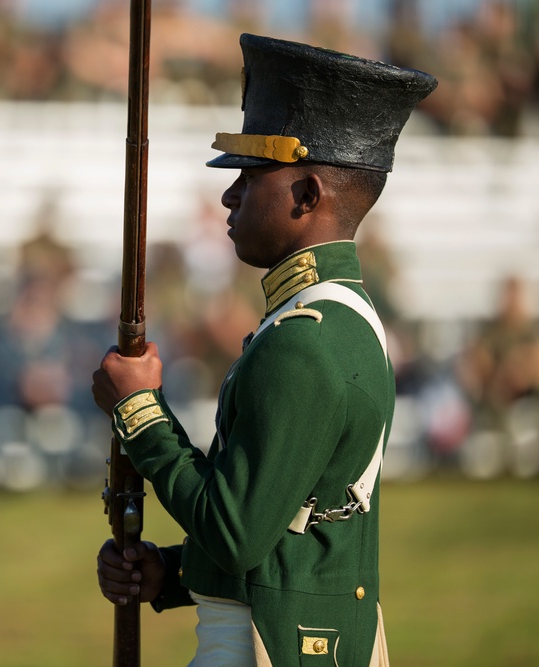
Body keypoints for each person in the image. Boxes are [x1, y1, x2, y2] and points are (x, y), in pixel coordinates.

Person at [92, 34, 436, 666]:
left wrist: (140, 413)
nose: (229, 196)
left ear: (306, 197)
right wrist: (168, 574)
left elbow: (234, 533)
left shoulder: (303, 341)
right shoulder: (340, 321)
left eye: (250, 178)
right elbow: (288, 530)